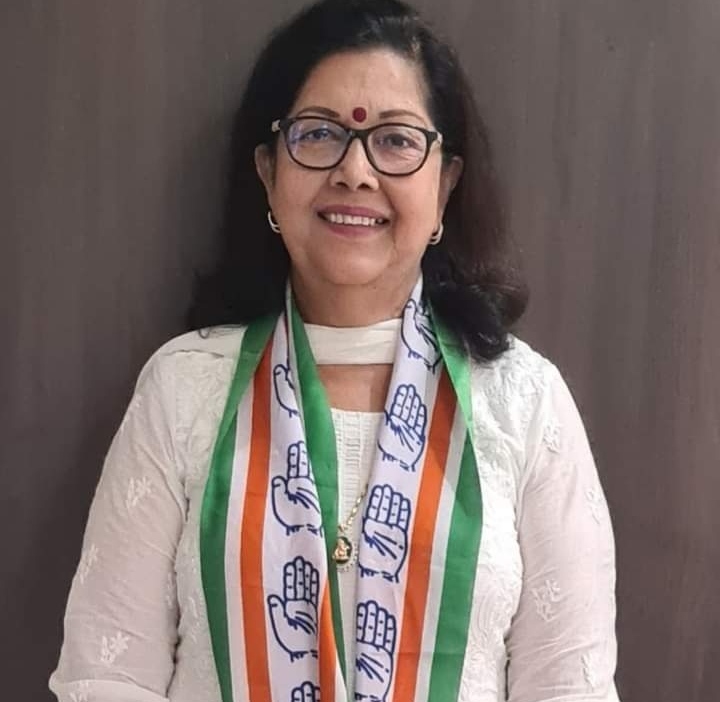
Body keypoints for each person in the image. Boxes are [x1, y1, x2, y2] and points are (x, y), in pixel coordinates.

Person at [49, 0, 620, 700]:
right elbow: (106, 676)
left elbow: (570, 688)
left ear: (445, 184)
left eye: (396, 140)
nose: (355, 171)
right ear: (269, 173)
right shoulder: (187, 389)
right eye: (319, 134)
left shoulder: (522, 403)